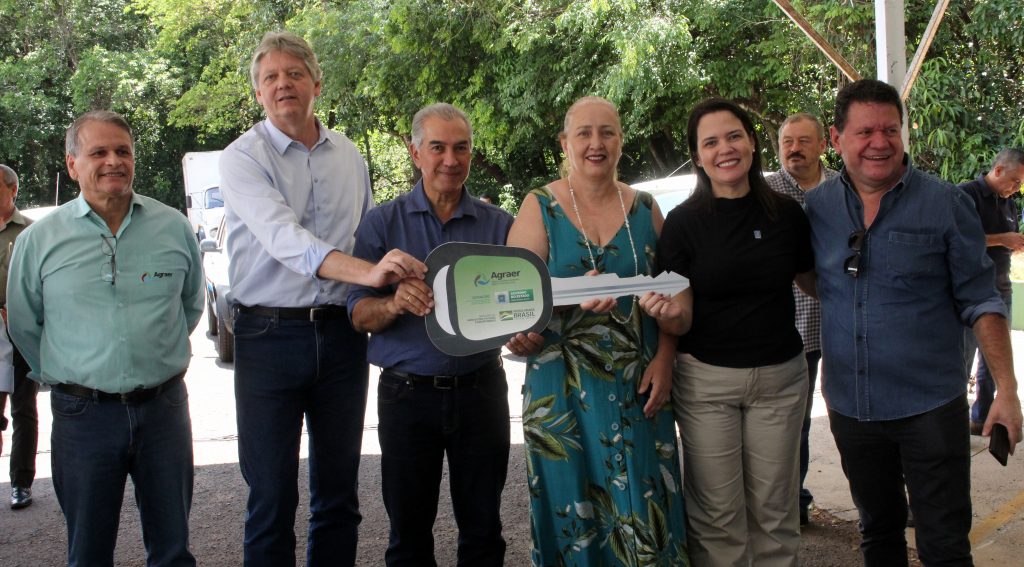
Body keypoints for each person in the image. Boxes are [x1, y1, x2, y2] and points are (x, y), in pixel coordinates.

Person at [219, 31, 425, 567]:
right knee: (271, 497)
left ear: (317, 83)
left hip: (341, 336)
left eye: (293, 74)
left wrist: (395, 277)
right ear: (258, 94)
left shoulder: (349, 155)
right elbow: (286, 240)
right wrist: (375, 272)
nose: (283, 84)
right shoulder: (241, 158)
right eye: (271, 78)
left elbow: (370, 234)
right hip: (267, 338)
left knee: (338, 496)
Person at [804, 79, 1024, 566]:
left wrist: (1006, 388)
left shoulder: (947, 204)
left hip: (929, 407)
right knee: (878, 532)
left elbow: (981, 299)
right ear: (837, 139)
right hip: (850, 405)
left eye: (890, 130)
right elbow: (814, 276)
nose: (879, 143)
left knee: (943, 542)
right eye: (865, 132)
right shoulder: (816, 208)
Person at [7, 110, 204, 566]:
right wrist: (71, 373)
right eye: (99, 152)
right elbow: (23, 323)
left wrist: (152, 354)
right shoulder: (40, 240)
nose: (113, 161)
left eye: (123, 151)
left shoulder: (172, 226)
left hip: (164, 411)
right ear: (73, 164)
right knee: (89, 553)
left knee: (173, 550)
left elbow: (190, 306)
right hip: (83, 417)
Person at [506, 96, 689, 565]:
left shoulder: (646, 209)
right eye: (583, 133)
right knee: (575, 515)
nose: (595, 143)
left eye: (607, 132)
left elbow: (675, 298)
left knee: (647, 503)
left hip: (640, 384)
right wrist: (565, 292)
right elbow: (514, 300)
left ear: (621, 142)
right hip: (562, 394)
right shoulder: (539, 206)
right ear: (564, 143)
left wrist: (666, 359)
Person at [641, 98, 813, 566]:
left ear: (753, 143)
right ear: (697, 157)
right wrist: (664, 314)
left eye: (734, 136)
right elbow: (682, 318)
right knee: (718, 518)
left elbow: (816, 282)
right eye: (710, 142)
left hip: (780, 381)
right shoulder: (683, 224)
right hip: (708, 383)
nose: (725, 149)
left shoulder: (786, 214)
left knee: (775, 513)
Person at [347, 103, 513, 566]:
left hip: (480, 391)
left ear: (472, 156)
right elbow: (358, 315)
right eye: (437, 147)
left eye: (461, 148)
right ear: (414, 152)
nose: (450, 160)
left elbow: (523, 308)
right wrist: (394, 302)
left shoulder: (498, 226)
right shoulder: (382, 224)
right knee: (408, 535)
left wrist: (526, 332)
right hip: (406, 398)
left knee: (483, 530)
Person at [765, 114, 838, 526]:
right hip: (793, 329)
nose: (794, 149)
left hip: (845, 324)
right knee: (796, 423)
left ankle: (879, 502)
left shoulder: (843, 189)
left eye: (804, 141)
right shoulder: (765, 192)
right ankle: (793, 501)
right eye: (787, 142)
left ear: (823, 145)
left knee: (857, 416)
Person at [960, 149, 1024, 435]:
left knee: (994, 359)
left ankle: (982, 418)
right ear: (997, 170)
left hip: (1001, 289)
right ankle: (951, 420)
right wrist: (1003, 239)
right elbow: (960, 241)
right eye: (1014, 181)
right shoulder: (966, 195)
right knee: (963, 355)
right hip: (970, 291)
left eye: (1020, 184)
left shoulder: (1008, 203)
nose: (1016, 188)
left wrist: (1014, 243)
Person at [0, 164, 38, 510]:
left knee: (24, 409)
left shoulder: (29, 232)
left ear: (12, 190)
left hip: (19, 331)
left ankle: (21, 483)